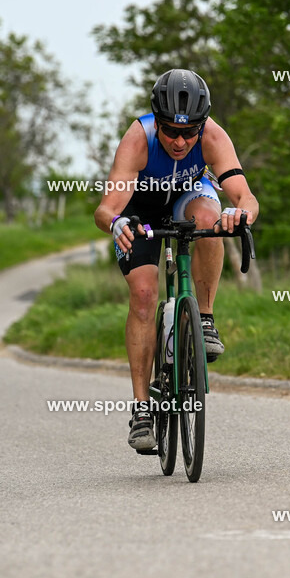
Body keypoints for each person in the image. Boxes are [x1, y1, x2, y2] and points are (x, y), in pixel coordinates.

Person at [93, 69, 259, 450]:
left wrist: (240, 215)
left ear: (202, 125)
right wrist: (117, 223)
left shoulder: (213, 136)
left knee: (210, 220)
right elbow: (105, 210)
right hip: (141, 209)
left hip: (189, 195)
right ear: (157, 122)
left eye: (190, 132)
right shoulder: (139, 138)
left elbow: (245, 197)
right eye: (171, 131)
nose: (181, 141)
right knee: (145, 295)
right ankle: (141, 410)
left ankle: (204, 318)